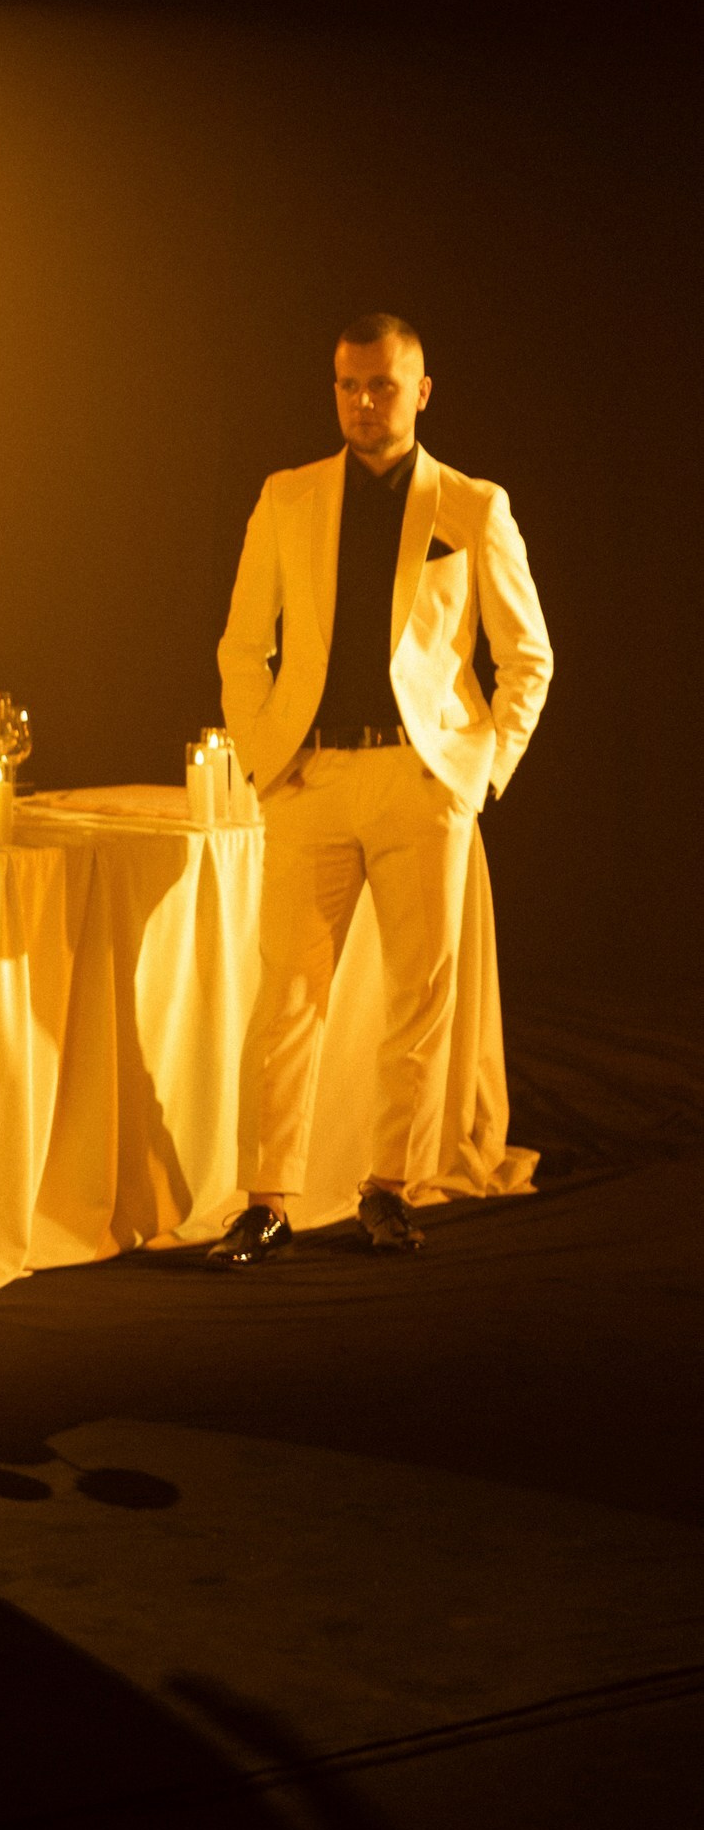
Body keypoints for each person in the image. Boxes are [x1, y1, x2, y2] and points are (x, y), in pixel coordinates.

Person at [209, 312, 552, 1266]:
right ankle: (265, 1200)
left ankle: (388, 1189)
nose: (363, 402)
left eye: (382, 386)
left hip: (420, 777)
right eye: (348, 386)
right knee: (284, 993)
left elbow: (527, 656)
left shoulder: (472, 506)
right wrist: (264, 760)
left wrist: (477, 774)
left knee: (418, 996)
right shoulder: (286, 496)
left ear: (421, 392)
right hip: (311, 775)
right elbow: (241, 644)